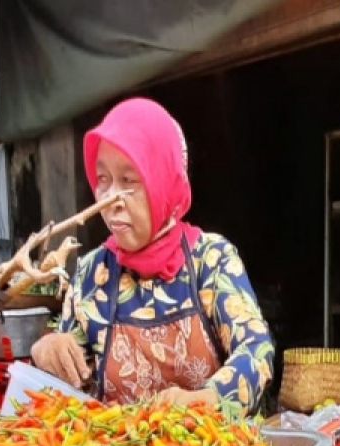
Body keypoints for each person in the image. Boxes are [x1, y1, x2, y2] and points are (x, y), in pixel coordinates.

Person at [30, 98, 275, 411]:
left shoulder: (210, 260)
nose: (110, 200)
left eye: (129, 181)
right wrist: (49, 349)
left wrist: (209, 399)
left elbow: (256, 349)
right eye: (102, 179)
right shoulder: (93, 274)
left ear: (163, 179)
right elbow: (74, 371)